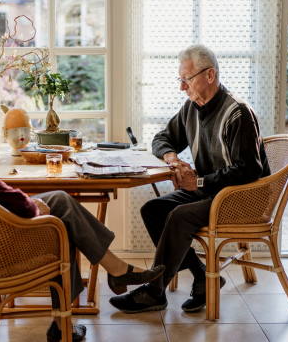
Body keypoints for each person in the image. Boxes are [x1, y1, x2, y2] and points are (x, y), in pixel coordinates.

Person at [0, 68, 165, 342]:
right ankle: (86, 300)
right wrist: (34, 206)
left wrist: (34, 202)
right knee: (60, 223)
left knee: (60, 201)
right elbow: (10, 201)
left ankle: (103, 283)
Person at [109, 44, 270, 314]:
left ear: (210, 75)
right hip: (211, 192)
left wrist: (197, 183)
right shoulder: (192, 107)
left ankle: (154, 291)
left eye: (187, 79)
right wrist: (173, 158)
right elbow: (161, 138)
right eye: (180, 80)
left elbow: (248, 171)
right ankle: (202, 276)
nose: (182, 87)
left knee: (179, 216)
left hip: (239, 198)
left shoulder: (238, 113)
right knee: (153, 209)